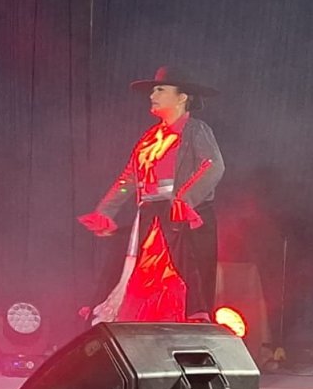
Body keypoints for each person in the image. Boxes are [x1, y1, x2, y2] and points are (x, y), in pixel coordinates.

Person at [79, 66, 225, 323]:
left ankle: (184, 323)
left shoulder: (195, 130)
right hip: (150, 217)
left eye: (160, 89)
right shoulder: (149, 138)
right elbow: (129, 179)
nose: (152, 95)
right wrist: (106, 211)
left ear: (182, 97)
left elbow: (213, 165)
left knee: (180, 276)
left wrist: (185, 200)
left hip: (179, 220)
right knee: (137, 275)